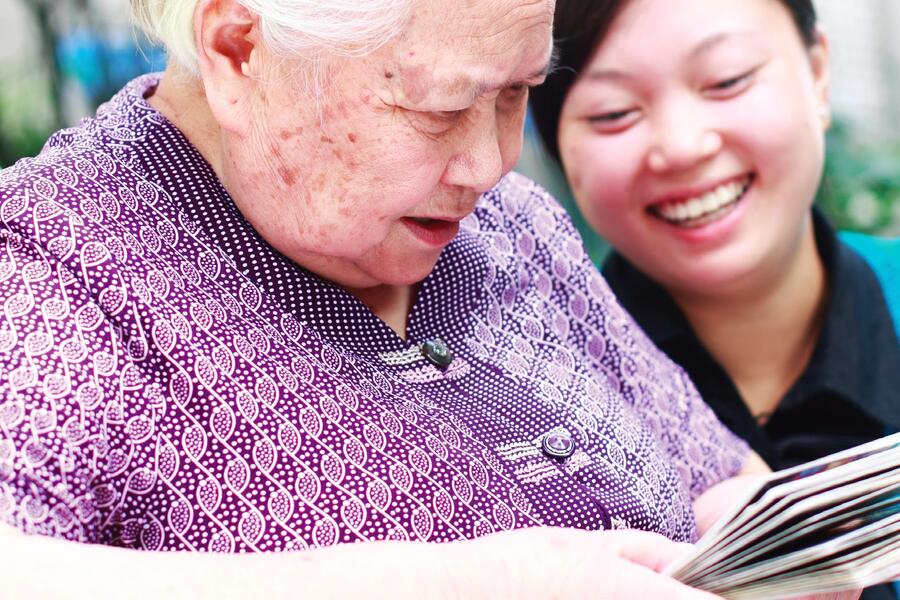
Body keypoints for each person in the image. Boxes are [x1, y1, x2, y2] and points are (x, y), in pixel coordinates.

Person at [0, 0, 779, 596]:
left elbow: (714, 479)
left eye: (516, 95)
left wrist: (788, 548)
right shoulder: (52, 265)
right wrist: (459, 581)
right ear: (238, 52)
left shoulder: (513, 226)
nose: (489, 163)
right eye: (439, 109)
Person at [529, 0, 899, 598]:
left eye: (727, 80)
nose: (682, 146)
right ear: (555, 147)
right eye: (615, 112)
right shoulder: (526, 413)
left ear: (819, 73)